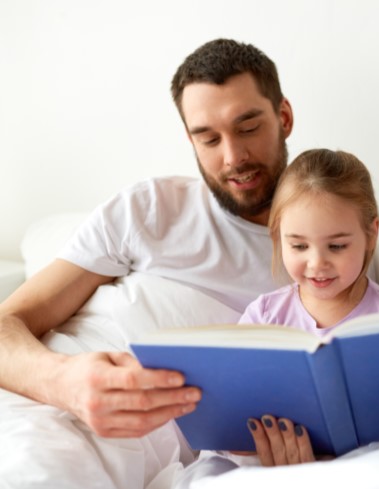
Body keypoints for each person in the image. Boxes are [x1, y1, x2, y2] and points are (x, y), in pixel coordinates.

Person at [0, 38, 292, 484]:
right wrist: (65, 383)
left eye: (248, 127)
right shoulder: (151, 208)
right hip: (38, 400)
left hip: (139, 446)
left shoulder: (327, 251)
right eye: (208, 138)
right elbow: (8, 323)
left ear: (284, 117)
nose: (232, 157)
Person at [174, 149, 379, 486]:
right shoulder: (263, 315)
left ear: (371, 234)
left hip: (363, 470)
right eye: (299, 246)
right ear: (278, 237)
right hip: (269, 468)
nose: (317, 263)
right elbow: (229, 419)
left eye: (337, 246)